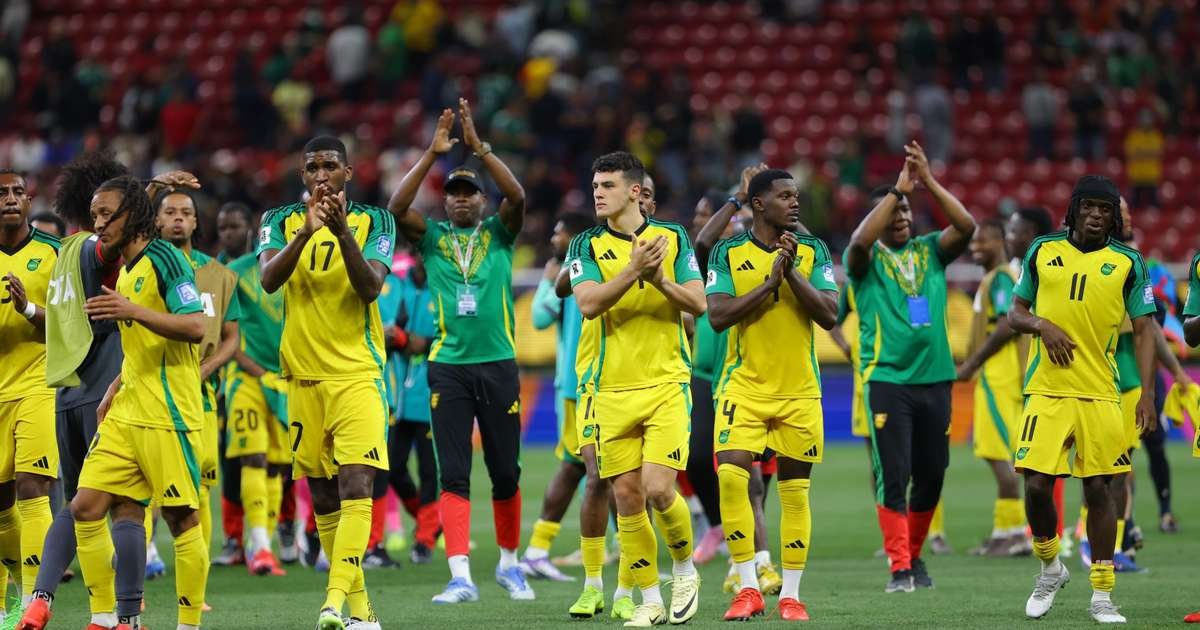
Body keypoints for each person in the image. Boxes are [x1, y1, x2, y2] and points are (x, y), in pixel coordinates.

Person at [19, 155, 187, 630]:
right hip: (108, 390)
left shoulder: (63, 253)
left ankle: (66, 604)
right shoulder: (96, 250)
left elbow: (56, 319)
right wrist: (146, 195)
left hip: (64, 395)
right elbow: (116, 249)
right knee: (127, 509)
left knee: (78, 504)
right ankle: (128, 615)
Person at [388, 100, 532, 603]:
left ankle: (510, 565)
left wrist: (480, 149)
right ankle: (460, 576)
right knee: (453, 472)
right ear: (445, 202)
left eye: (470, 193)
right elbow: (395, 209)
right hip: (447, 367)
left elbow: (518, 195)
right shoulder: (431, 240)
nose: (461, 200)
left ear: (482, 201)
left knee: (506, 472)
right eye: (453, 194)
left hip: (497, 365)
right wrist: (432, 154)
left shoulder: (499, 234)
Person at [259, 135, 394, 630]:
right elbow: (268, 280)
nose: (321, 175)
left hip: (357, 375)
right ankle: (362, 613)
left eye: (330, 166)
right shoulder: (278, 220)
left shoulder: (376, 221)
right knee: (322, 497)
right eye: (312, 167)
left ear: (348, 173)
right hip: (303, 378)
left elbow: (370, 287)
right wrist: (305, 233)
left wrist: (341, 234)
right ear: (302, 176)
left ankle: (332, 602)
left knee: (357, 483)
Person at [567, 151, 706, 627]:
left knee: (659, 489)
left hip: (666, 383)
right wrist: (632, 271)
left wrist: (660, 278)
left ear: (634, 191)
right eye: (595, 186)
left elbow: (698, 304)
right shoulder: (585, 245)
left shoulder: (673, 238)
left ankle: (684, 570)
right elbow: (588, 304)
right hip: (611, 389)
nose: (598, 193)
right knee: (626, 497)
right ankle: (649, 599)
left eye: (607, 185)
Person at [1010, 175, 1157, 624]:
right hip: (1047, 388)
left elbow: (1145, 329)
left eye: (1105, 209)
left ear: (1114, 218)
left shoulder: (1128, 262)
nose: (1096, 215)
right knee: (1037, 484)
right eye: (1088, 206)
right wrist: (1043, 326)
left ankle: (1102, 594)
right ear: (1073, 210)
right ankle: (1050, 567)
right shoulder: (1042, 250)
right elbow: (1016, 313)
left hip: (1100, 391)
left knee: (1100, 489)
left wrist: (1147, 394)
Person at [70, 175, 209, 630]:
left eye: (106, 214)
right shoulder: (128, 268)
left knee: (181, 517)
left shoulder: (166, 259)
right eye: (94, 215)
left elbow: (196, 327)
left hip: (168, 411)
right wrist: (116, 384)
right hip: (128, 407)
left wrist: (133, 311)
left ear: (131, 215)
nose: (98, 224)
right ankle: (106, 618)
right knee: (86, 506)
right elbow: (141, 346)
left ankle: (188, 624)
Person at [705, 169, 838, 621]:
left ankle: (791, 596)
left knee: (795, 491)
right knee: (731, 478)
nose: (794, 202)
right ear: (758, 204)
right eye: (784, 196)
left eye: (796, 196)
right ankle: (747, 587)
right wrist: (768, 284)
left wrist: (791, 273)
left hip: (799, 390)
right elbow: (718, 316)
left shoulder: (814, 250)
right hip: (743, 385)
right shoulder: (728, 251)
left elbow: (829, 314)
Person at [843, 141, 976, 593]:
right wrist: (896, 191)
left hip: (936, 378)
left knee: (933, 473)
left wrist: (928, 182)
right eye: (892, 211)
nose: (901, 217)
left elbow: (967, 225)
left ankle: (914, 555)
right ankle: (899, 567)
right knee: (894, 474)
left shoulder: (930, 251)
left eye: (905, 211)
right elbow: (859, 242)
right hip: (888, 380)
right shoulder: (865, 263)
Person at [155, 185, 242, 587]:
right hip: (153, 386)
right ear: (156, 220)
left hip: (200, 394)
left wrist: (207, 369)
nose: (177, 219)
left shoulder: (219, 276)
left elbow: (232, 338)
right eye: (169, 212)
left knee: (201, 486)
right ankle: (142, 560)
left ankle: (197, 580)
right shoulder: (144, 265)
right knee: (145, 486)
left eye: (185, 213)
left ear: (195, 222)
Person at [519, 212, 595, 583]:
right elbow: (540, 318)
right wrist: (549, 284)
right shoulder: (571, 272)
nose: (553, 237)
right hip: (580, 383)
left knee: (583, 467)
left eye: (559, 231)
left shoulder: (587, 264)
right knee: (593, 469)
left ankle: (538, 550)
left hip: (588, 382)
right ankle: (617, 552)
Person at [0, 169, 59, 623]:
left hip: (39, 384)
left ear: (29, 199)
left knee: (32, 485)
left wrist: (27, 308)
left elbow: (71, 324)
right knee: (1, 504)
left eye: (17, 191)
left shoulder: (53, 253)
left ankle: (36, 604)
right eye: (1, 193)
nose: (10, 199)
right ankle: (16, 593)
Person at [956, 219, 1030, 557]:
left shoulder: (1000, 278)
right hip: (1002, 377)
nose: (975, 247)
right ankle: (1006, 532)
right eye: (973, 242)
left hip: (998, 377)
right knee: (1000, 453)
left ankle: (1014, 535)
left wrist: (972, 363)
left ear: (1000, 241)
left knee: (999, 455)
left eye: (983, 240)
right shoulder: (1000, 277)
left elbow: (1006, 325)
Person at [225, 220, 291, 576]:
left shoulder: (298, 267)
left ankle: (262, 541)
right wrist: (250, 366)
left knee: (278, 465)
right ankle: (261, 545)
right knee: (254, 457)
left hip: (285, 380)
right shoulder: (234, 272)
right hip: (246, 379)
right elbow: (224, 331)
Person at [379, 251, 439, 565]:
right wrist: (395, 337)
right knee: (392, 468)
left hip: (431, 394)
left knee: (430, 471)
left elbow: (450, 335)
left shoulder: (441, 289)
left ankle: (425, 539)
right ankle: (429, 522)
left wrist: (418, 342)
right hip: (398, 395)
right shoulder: (398, 288)